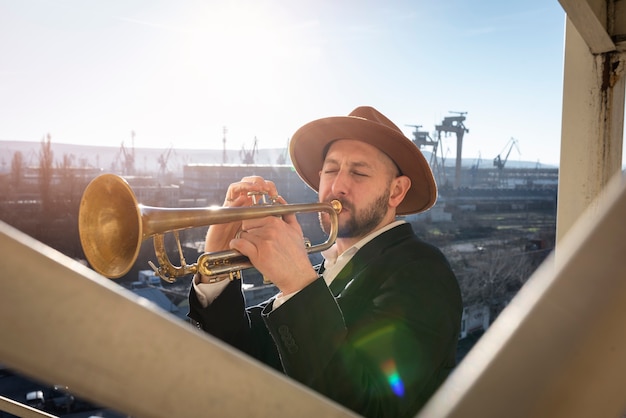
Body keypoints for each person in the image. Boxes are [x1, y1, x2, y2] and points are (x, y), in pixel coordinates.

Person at [188, 106, 463, 418]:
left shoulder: (422, 272)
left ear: (396, 191)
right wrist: (216, 273)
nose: (338, 186)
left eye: (358, 172)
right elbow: (243, 357)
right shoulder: (328, 271)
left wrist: (298, 285)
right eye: (331, 171)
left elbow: (371, 407)